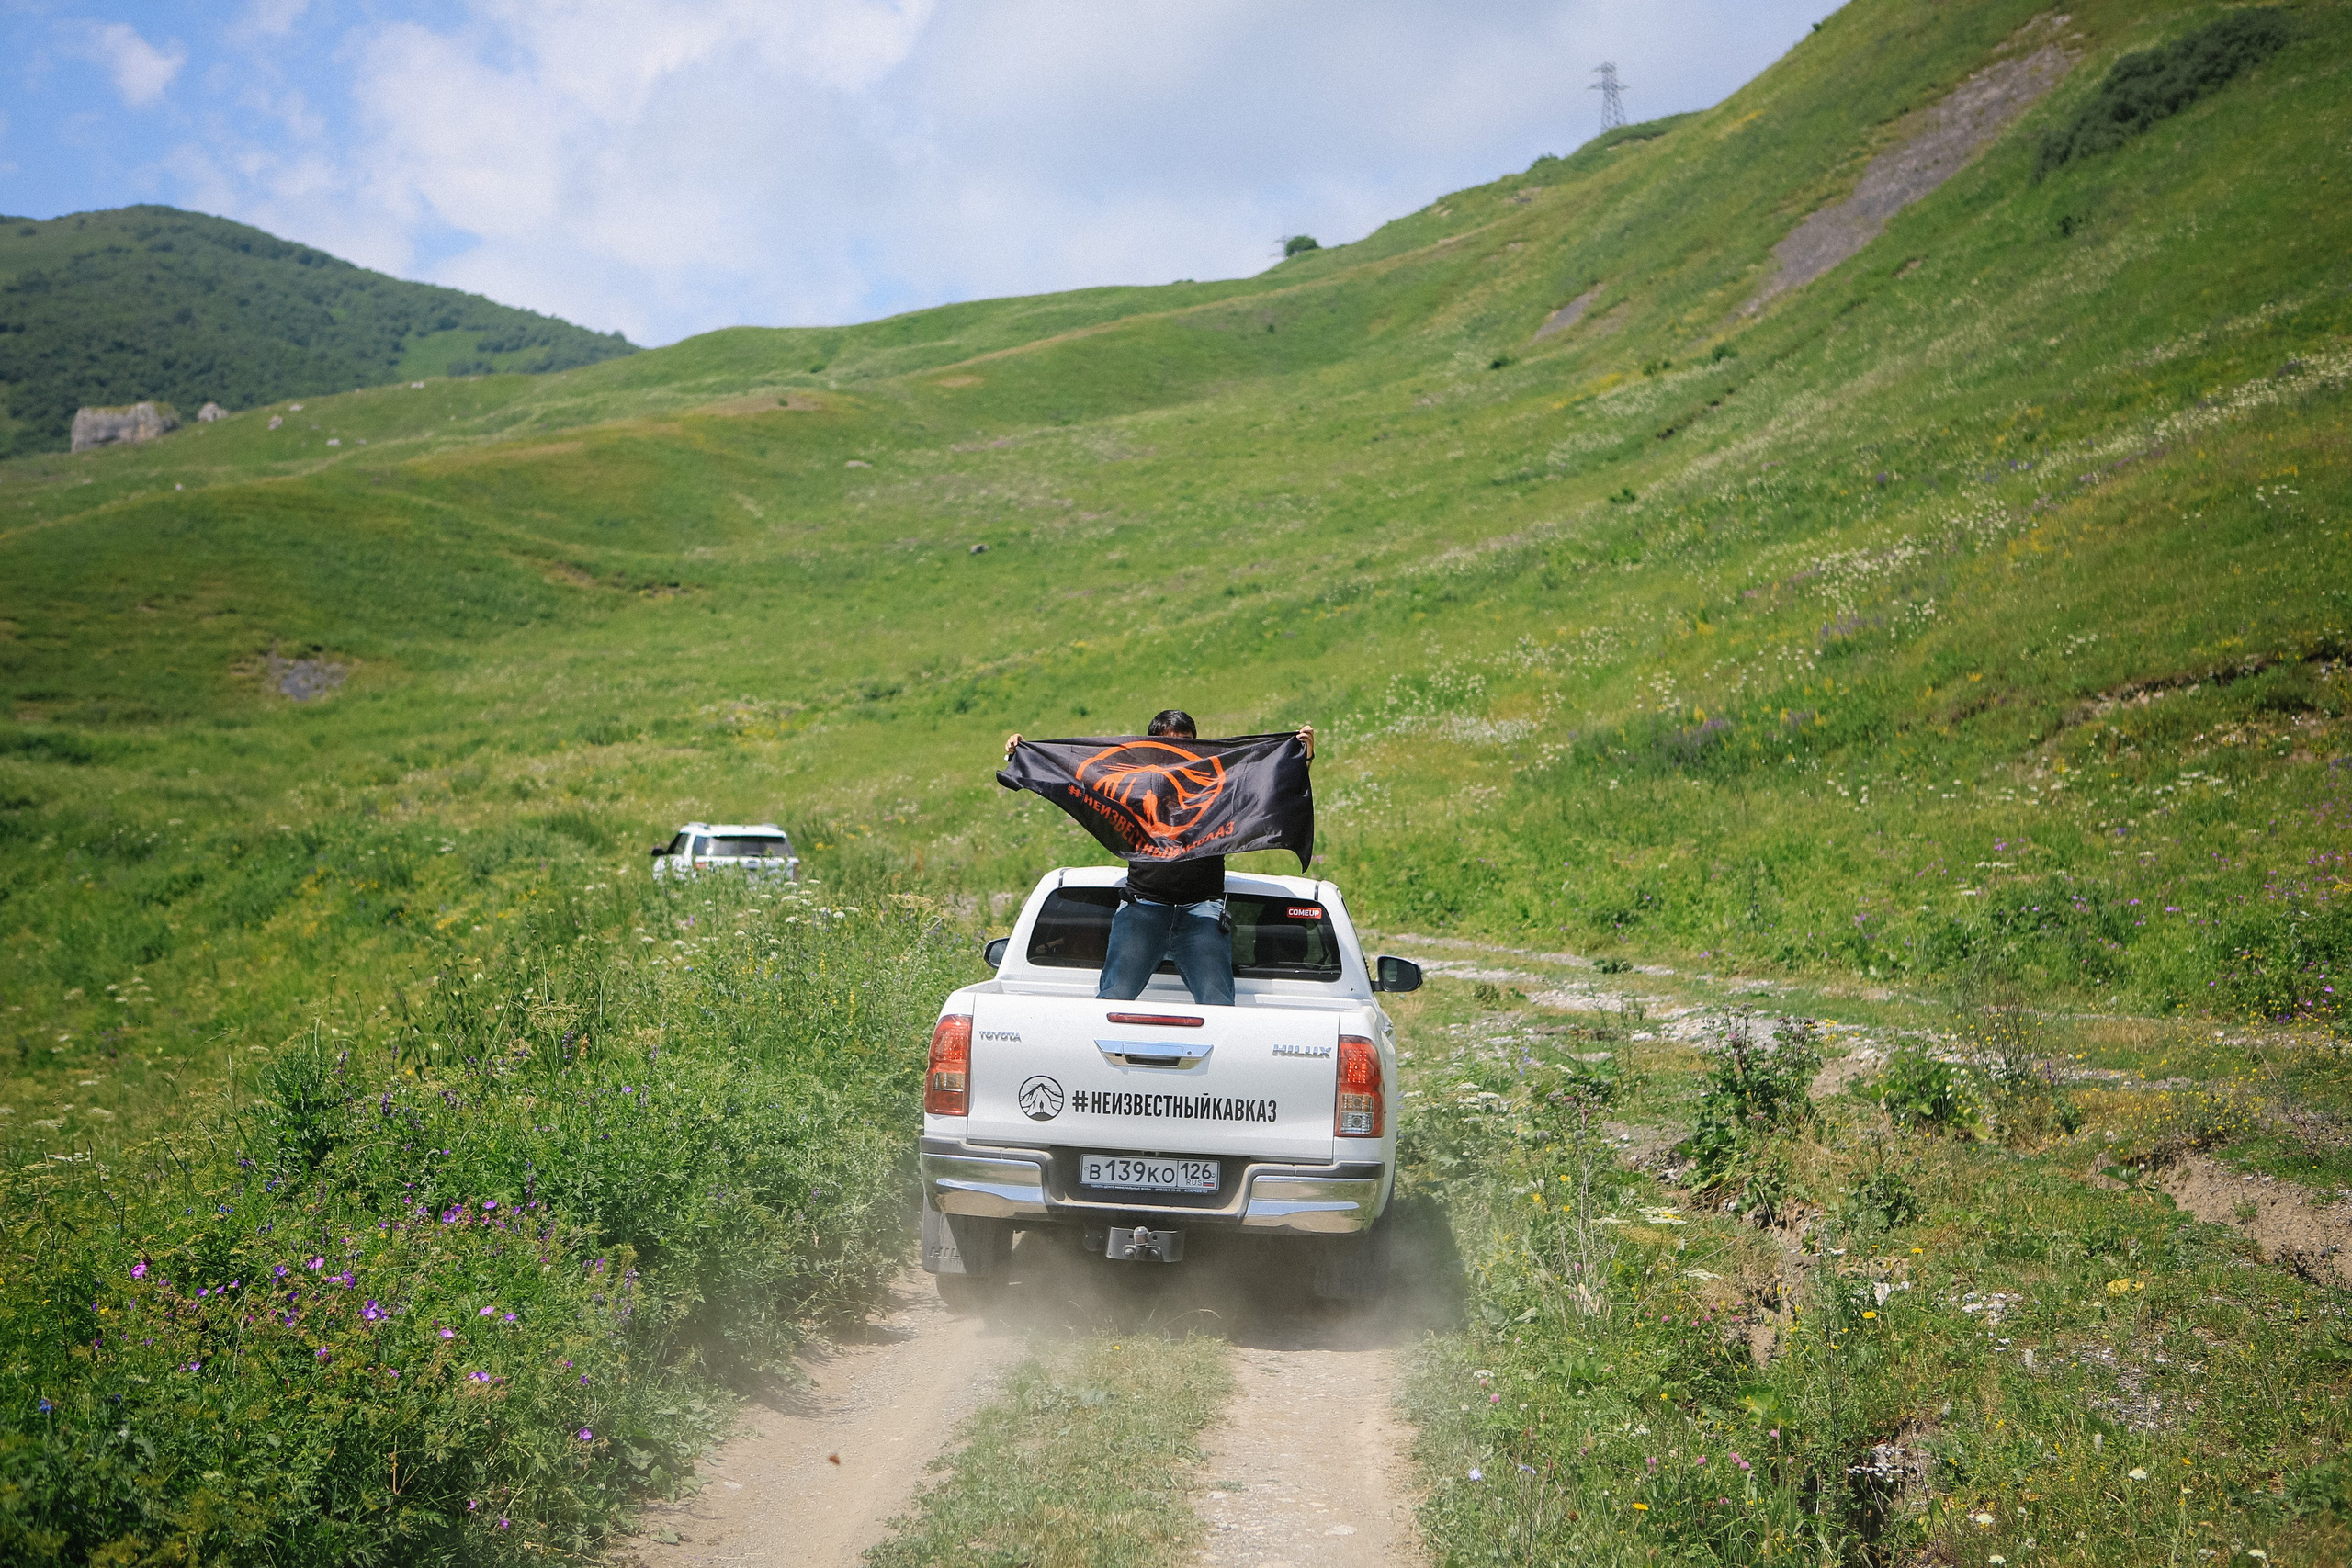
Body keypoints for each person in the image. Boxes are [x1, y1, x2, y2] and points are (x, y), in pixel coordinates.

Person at [1004, 710, 1313, 1007]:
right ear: (1152, 746)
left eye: (1185, 742)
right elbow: (1074, 776)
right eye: (1168, 743)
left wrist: (1301, 758)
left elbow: (1268, 786)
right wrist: (1024, 754)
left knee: (1218, 1007)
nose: (1177, 750)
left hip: (1202, 909)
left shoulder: (1219, 783)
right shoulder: (1132, 784)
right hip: (1143, 906)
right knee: (1113, 999)